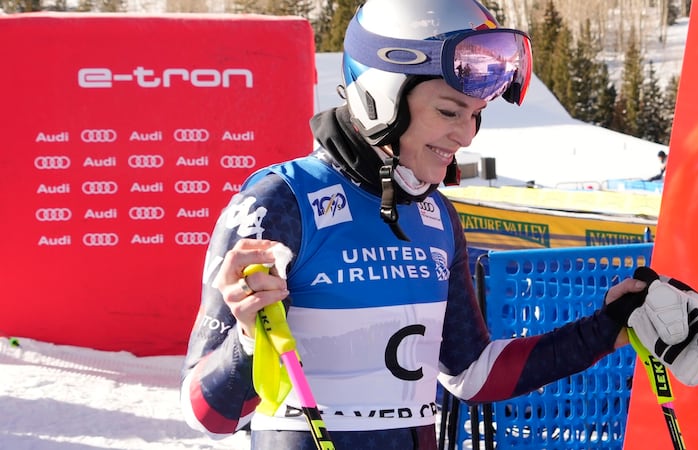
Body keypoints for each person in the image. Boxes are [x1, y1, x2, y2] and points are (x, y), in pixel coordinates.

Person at [179, 0, 649, 448]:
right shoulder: (280, 202)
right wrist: (246, 339)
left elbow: (472, 373)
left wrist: (607, 325)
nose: (465, 135)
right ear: (381, 97)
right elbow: (208, 414)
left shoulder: (436, 215)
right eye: (448, 111)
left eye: (475, 115)